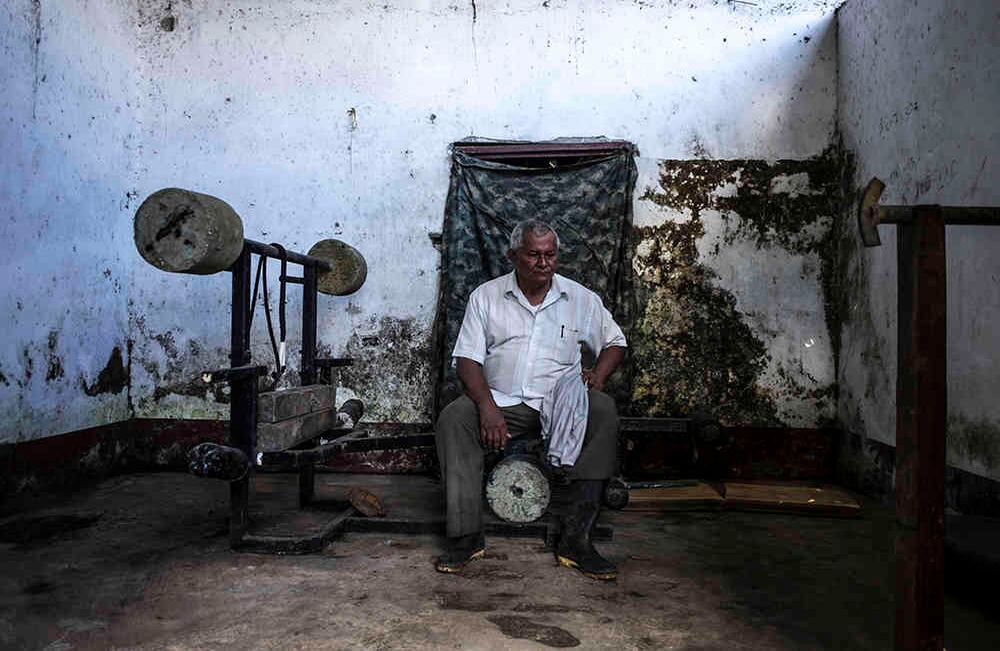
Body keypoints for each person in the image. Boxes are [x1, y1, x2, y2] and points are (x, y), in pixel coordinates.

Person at [435, 219, 627, 580]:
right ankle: (466, 536)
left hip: (559, 402)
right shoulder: (486, 297)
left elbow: (615, 342)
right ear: (513, 256)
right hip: (503, 401)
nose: (544, 263)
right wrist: (488, 408)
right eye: (534, 255)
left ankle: (577, 540)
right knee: (454, 418)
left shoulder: (580, 298)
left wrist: (597, 377)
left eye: (550, 255)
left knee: (603, 410)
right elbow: (467, 360)